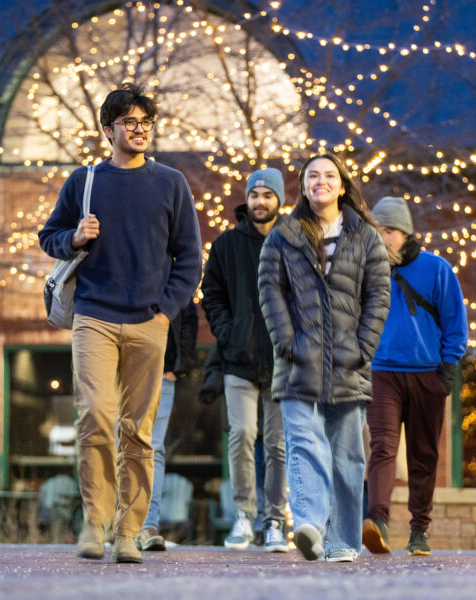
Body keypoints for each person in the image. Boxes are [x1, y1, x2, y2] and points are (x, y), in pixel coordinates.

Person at [38, 82, 202, 563]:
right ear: (108, 129)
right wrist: (73, 237)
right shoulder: (84, 181)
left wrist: (164, 309)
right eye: (130, 122)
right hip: (93, 316)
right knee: (94, 417)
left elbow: (189, 258)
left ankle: (128, 532)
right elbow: (48, 236)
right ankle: (95, 523)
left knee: (139, 431)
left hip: (149, 322)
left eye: (147, 123)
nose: (140, 130)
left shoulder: (171, 182)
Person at [258, 153, 390, 563]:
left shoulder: (365, 237)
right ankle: (311, 525)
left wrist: (363, 347)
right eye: (313, 175)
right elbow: (270, 290)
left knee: (348, 455)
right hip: (297, 361)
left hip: (349, 363)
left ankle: (343, 542)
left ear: (342, 185)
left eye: (329, 175)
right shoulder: (283, 234)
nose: (321, 181)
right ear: (303, 184)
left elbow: (378, 296)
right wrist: (286, 342)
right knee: (303, 443)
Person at [362, 196, 468, 556]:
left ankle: (419, 531)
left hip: (427, 374)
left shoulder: (436, 269)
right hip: (382, 373)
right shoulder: (366, 268)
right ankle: (376, 521)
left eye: (387, 231)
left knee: (424, 456)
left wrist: (448, 369)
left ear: (405, 233)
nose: (381, 237)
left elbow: (456, 324)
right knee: (382, 448)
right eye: (376, 230)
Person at [201, 168, 289, 552]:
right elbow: (212, 294)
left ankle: (274, 521)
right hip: (238, 360)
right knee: (241, 436)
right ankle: (243, 516)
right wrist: (229, 331)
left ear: (279, 201)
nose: (260, 201)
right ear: (247, 200)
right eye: (254, 194)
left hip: (284, 361)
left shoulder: (294, 242)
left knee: (278, 445)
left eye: (268, 195)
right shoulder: (225, 246)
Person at [135, 301, 198, 552]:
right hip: (122, 365)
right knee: (122, 446)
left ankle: (148, 525)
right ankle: (124, 525)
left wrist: (177, 364)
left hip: (162, 368)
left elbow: (189, 311)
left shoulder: (172, 264)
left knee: (154, 448)